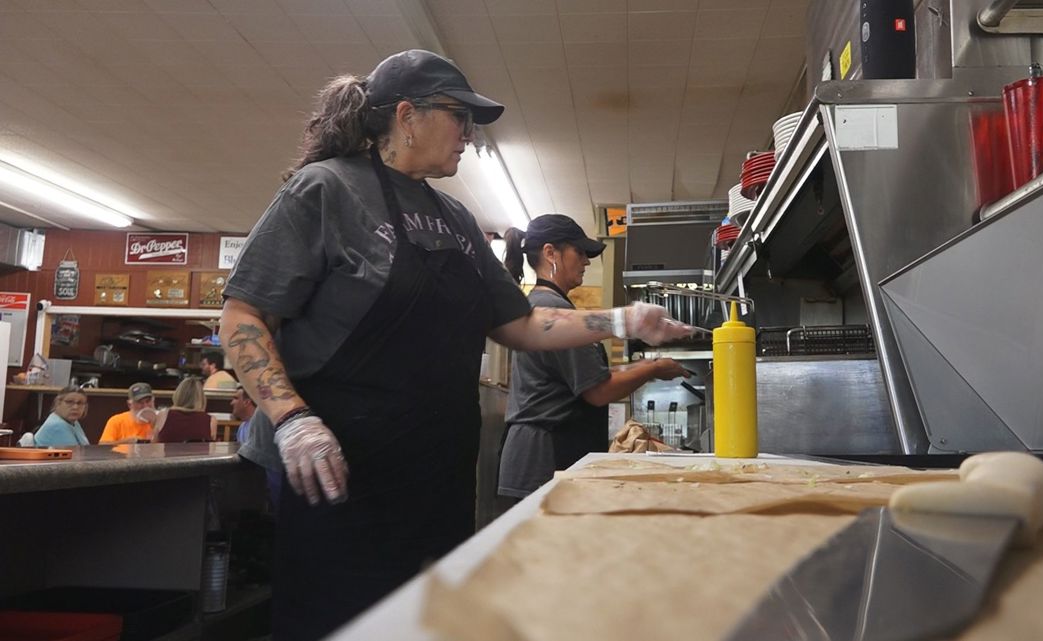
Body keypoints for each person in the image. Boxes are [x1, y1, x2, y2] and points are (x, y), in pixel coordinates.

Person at [218, 48, 692, 641]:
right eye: (458, 116)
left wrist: (622, 322)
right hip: (336, 465)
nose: (470, 134)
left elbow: (520, 325)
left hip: (434, 471)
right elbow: (243, 314)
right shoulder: (326, 191)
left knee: (422, 626)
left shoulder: (458, 219)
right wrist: (290, 419)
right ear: (407, 116)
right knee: (337, 622)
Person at [497, 215, 690, 500]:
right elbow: (598, 391)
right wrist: (654, 368)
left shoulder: (543, 304)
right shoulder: (552, 307)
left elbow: (590, 379)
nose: (587, 261)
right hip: (543, 461)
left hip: (538, 457)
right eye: (579, 252)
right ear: (551, 252)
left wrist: (644, 365)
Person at [153, 378, 216, 443]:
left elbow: (153, 446)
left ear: (178, 394)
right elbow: (211, 450)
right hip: (197, 453)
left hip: (171, 453)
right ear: (201, 398)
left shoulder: (163, 415)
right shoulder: (210, 421)